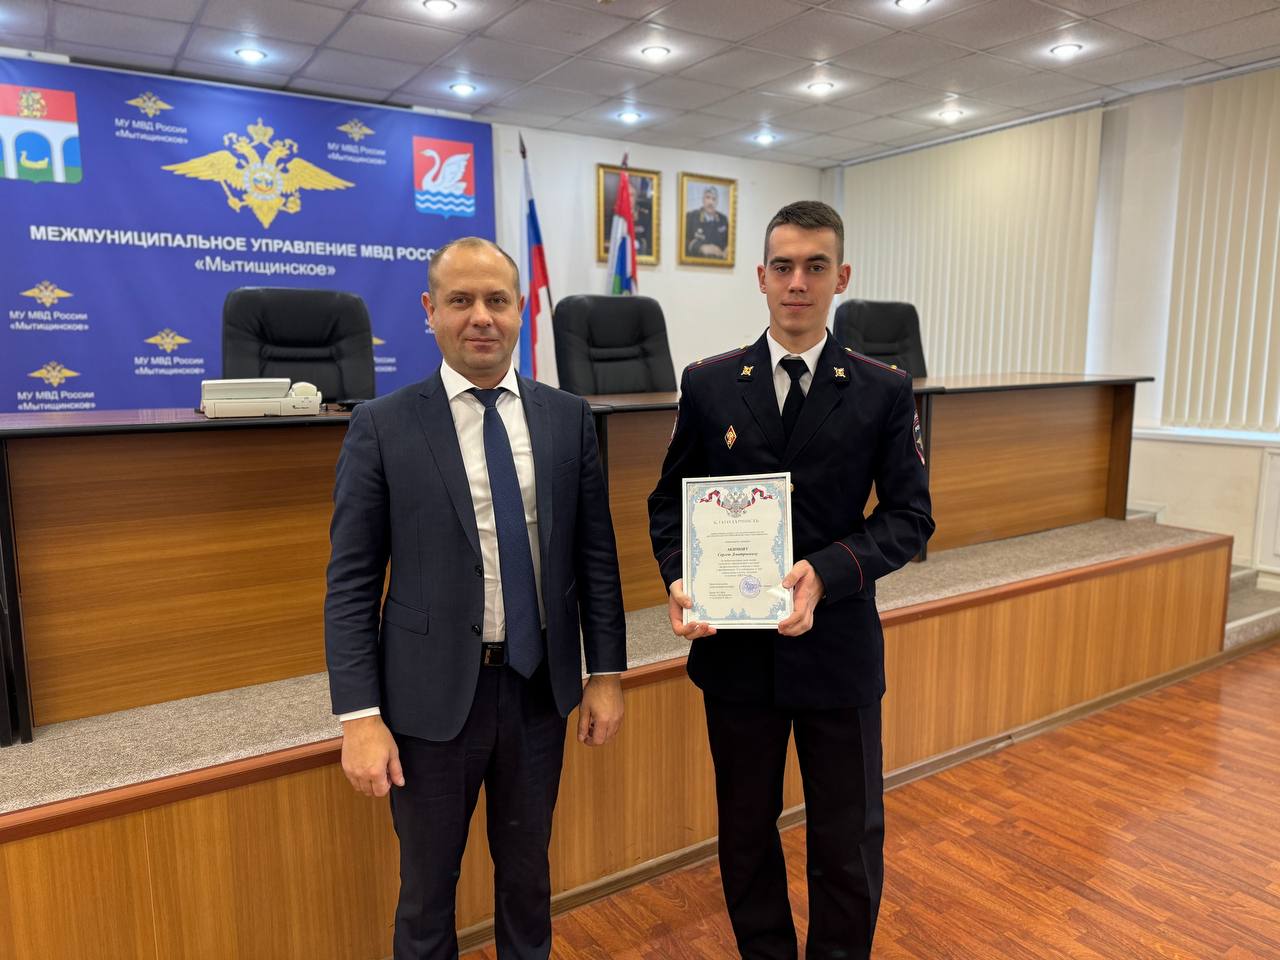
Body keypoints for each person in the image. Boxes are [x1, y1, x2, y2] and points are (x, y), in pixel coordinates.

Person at [325, 237, 627, 960]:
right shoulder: (383, 424)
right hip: (428, 702)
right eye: (460, 300)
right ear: (430, 311)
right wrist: (359, 717)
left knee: (528, 879)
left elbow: (596, 557)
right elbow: (352, 582)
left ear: (521, 310)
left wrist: (607, 674)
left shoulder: (568, 417)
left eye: (497, 300)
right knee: (427, 892)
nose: (481, 317)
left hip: (537, 690)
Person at [648, 201, 933, 959]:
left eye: (815, 266)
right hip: (736, 653)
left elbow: (910, 517)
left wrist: (830, 572)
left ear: (841, 277)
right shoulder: (709, 384)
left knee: (847, 838)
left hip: (837, 647)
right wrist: (680, 577)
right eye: (783, 266)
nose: (797, 282)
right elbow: (668, 504)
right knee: (745, 833)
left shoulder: (882, 388)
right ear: (761, 277)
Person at [685, 185, 730, 259]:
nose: (711, 202)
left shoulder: (723, 220)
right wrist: (700, 247)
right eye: (708, 197)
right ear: (703, 200)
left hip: (720, 262)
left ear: (717, 202)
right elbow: (682, 242)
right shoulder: (691, 217)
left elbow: (730, 241)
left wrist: (729, 248)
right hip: (697, 263)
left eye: (714, 199)